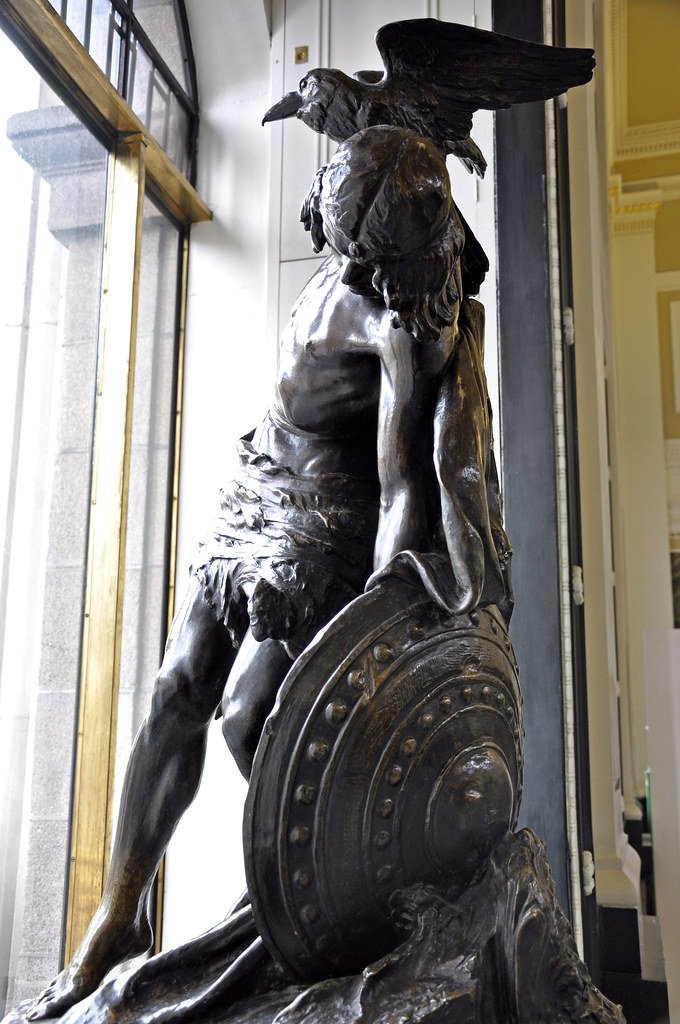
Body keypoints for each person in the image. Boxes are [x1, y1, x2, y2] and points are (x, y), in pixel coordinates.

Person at [26, 125, 511, 1021]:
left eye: (358, 259)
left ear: (384, 261)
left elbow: (403, 479)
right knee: (177, 686)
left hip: (321, 516)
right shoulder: (360, 213)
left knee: (252, 716)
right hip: (258, 477)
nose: (340, 264)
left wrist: (372, 626)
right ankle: (118, 915)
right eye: (335, 242)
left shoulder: (404, 319)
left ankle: (323, 889)